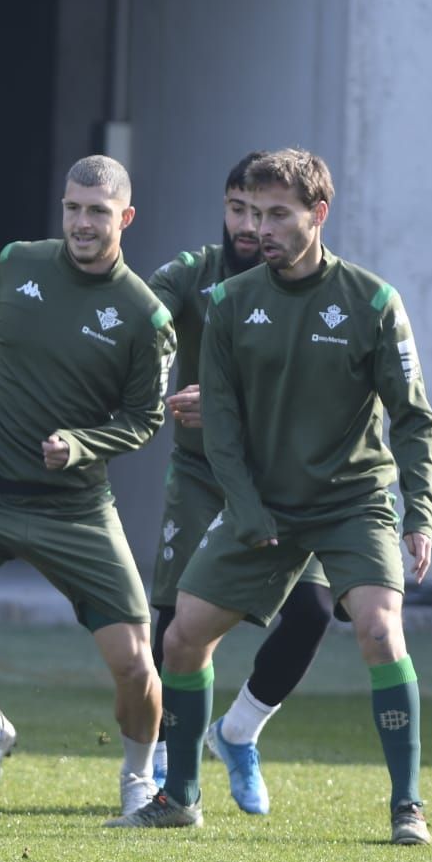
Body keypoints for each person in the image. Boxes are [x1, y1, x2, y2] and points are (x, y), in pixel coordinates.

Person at [109, 148, 432, 845]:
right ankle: (181, 795)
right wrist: (248, 507)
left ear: (318, 215)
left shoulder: (373, 301)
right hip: (263, 504)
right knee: (183, 637)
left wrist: (421, 513)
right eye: (253, 213)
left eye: (278, 214)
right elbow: (220, 425)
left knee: (380, 630)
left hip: (353, 502)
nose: (261, 227)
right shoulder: (229, 302)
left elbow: (411, 417)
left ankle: (408, 806)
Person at [0, 155, 177, 817]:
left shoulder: (145, 317)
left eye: (98, 212)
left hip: (74, 506)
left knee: (137, 664)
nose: (82, 224)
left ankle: (139, 777)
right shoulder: (20, 263)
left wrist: (81, 444)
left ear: (127, 218)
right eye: (73, 208)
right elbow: (3, 343)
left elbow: (145, 419)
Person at [145, 151, 334, 815]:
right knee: (170, 618)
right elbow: (144, 312)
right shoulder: (193, 273)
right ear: (225, 210)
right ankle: (171, 760)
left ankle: (239, 732)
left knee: (312, 610)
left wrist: (224, 404)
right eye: (238, 209)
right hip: (202, 474)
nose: (250, 224)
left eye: (263, 212)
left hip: (284, 481)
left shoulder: (308, 286)